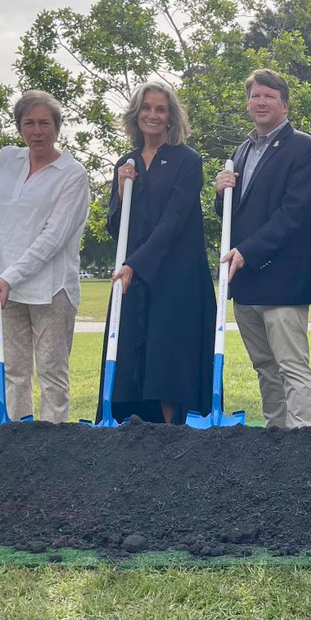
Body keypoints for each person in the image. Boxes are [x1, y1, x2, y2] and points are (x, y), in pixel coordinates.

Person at [0, 90, 90, 422]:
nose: (37, 131)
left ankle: (49, 448)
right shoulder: (7, 159)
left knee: (51, 373)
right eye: (29, 123)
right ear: (19, 128)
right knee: (14, 372)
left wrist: (10, 277)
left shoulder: (72, 174)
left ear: (57, 127)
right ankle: (15, 441)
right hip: (4, 288)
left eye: (45, 123)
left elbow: (53, 238)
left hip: (51, 288)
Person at [214, 68, 311, 429]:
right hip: (246, 281)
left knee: (291, 365)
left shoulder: (306, 149)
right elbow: (234, 215)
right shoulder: (242, 151)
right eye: (254, 96)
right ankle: (276, 438)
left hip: (284, 279)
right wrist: (221, 194)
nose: (260, 102)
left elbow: (294, 214)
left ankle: (304, 439)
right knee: (264, 366)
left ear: (285, 104)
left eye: (268, 96)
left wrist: (248, 250)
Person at [98, 81, 214, 425]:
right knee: (131, 351)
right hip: (134, 275)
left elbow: (174, 222)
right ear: (136, 115)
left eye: (160, 109)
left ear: (170, 118)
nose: (152, 114)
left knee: (167, 357)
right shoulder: (126, 163)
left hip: (176, 275)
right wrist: (120, 190)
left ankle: (168, 434)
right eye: (146, 108)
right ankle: (130, 432)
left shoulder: (187, 161)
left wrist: (136, 264)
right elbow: (117, 229)